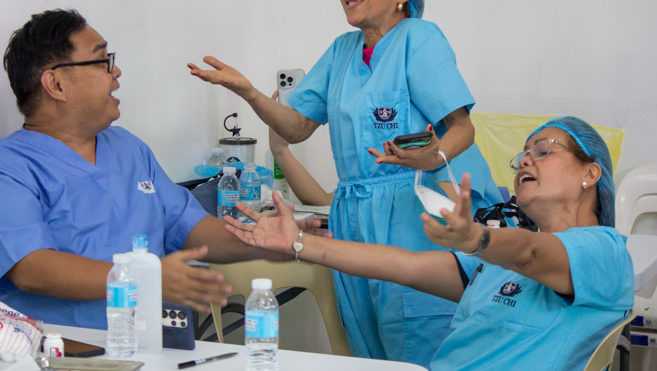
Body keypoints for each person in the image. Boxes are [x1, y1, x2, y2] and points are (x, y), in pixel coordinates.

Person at [188, 0, 502, 366]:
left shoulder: (419, 38)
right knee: (366, 347)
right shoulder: (342, 51)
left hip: (415, 209)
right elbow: (296, 127)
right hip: (354, 215)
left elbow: (461, 128)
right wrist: (249, 92)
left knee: (421, 340)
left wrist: (431, 158)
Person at [0, 9, 318, 329]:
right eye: (102, 61)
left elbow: (191, 228)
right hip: (63, 351)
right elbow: (30, 268)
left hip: (152, 347)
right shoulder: (3, 171)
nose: (116, 71)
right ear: (56, 83)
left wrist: (262, 241)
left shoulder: (127, 148)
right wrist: (144, 278)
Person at [226, 116, 633, 370]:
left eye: (543, 151)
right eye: (522, 155)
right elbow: (403, 265)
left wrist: (477, 237)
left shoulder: (604, 252)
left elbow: (529, 253)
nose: (525, 159)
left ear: (591, 172)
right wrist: (297, 242)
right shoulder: (492, 266)